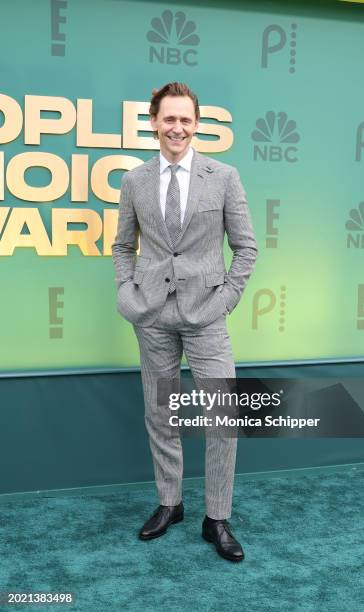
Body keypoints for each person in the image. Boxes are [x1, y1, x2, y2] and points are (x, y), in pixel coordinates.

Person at [112, 82, 257, 562]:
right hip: (151, 314)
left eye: (186, 120)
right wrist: (127, 292)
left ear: (196, 124)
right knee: (161, 414)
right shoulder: (134, 180)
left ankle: (216, 518)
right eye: (169, 119)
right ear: (154, 122)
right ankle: (169, 503)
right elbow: (121, 246)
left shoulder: (225, 176)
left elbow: (246, 247)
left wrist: (226, 299)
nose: (178, 127)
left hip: (206, 313)